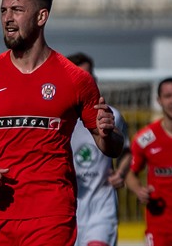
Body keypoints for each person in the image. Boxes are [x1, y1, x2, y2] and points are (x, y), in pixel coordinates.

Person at [0, 0, 125, 246]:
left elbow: (112, 147)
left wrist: (107, 134)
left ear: (41, 16)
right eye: (4, 10)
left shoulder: (75, 79)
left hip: (50, 215)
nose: (8, 18)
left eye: (17, 10)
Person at [68, 52, 132, 246]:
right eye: (79, 76)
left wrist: (120, 172)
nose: (85, 80)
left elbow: (126, 151)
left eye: (88, 76)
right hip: (67, 210)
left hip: (101, 209)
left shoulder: (111, 116)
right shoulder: (59, 120)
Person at [125, 77, 172, 246]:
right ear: (159, 100)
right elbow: (129, 172)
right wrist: (139, 190)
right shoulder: (145, 139)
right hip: (160, 228)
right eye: (168, 96)